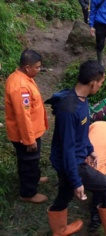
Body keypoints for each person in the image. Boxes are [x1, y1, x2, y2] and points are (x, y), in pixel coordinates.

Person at [45, 60, 106, 236]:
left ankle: (59, 230)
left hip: (78, 157)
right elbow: (67, 148)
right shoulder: (69, 109)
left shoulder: (82, 101)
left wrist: (90, 150)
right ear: (93, 83)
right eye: (101, 82)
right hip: (73, 163)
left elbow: (82, 133)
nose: (101, 85)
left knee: (65, 193)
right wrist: (77, 181)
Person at [5, 49, 49, 204]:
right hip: (25, 135)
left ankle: (34, 178)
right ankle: (28, 192)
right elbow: (23, 117)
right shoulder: (21, 87)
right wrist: (29, 140)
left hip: (31, 131)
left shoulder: (23, 77)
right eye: (36, 67)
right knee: (28, 161)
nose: (38, 70)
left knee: (31, 160)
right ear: (27, 67)